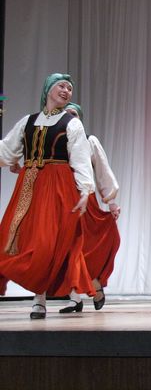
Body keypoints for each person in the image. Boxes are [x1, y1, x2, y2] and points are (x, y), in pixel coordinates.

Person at [0, 74, 95, 319]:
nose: (66, 91)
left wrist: (85, 190)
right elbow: (7, 150)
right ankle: (47, 296)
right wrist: (12, 161)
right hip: (29, 185)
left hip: (58, 185)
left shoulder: (72, 124)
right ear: (48, 89)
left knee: (45, 243)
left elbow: (81, 158)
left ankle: (39, 300)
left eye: (69, 88)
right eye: (61, 86)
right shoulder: (28, 121)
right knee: (15, 236)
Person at [57, 102, 121, 313]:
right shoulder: (55, 144)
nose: (70, 118)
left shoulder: (89, 141)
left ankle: (95, 284)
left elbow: (102, 170)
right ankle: (75, 298)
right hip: (62, 200)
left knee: (86, 247)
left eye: (73, 114)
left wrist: (111, 201)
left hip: (85, 201)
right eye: (66, 115)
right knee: (65, 247)